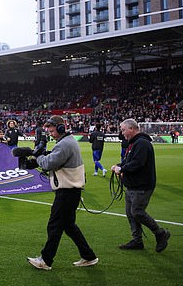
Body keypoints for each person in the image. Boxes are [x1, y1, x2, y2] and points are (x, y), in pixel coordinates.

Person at [27, 115, 98, 270]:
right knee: (69, 226)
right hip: (71, 191)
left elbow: (48, 163)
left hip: (67, 192)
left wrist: (37, 155)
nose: (51, 134)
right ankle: (89, 256)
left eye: (52, 131)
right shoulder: (67, 141)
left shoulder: (64, 144)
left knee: (55, 225)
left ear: (60, 128)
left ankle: (45, 260)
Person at [111, 119, 171, 252]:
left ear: (131, 129)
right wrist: (119, 166)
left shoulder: (142, 143)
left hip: (142, 185)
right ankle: (137, 241)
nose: (122, 133)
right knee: (130, 214)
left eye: (123, 130)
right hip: (132, 185)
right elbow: (128, 161)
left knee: (137, 212)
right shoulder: (134, 143)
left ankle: (160, 233)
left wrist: (121, 169)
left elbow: (138, 163)